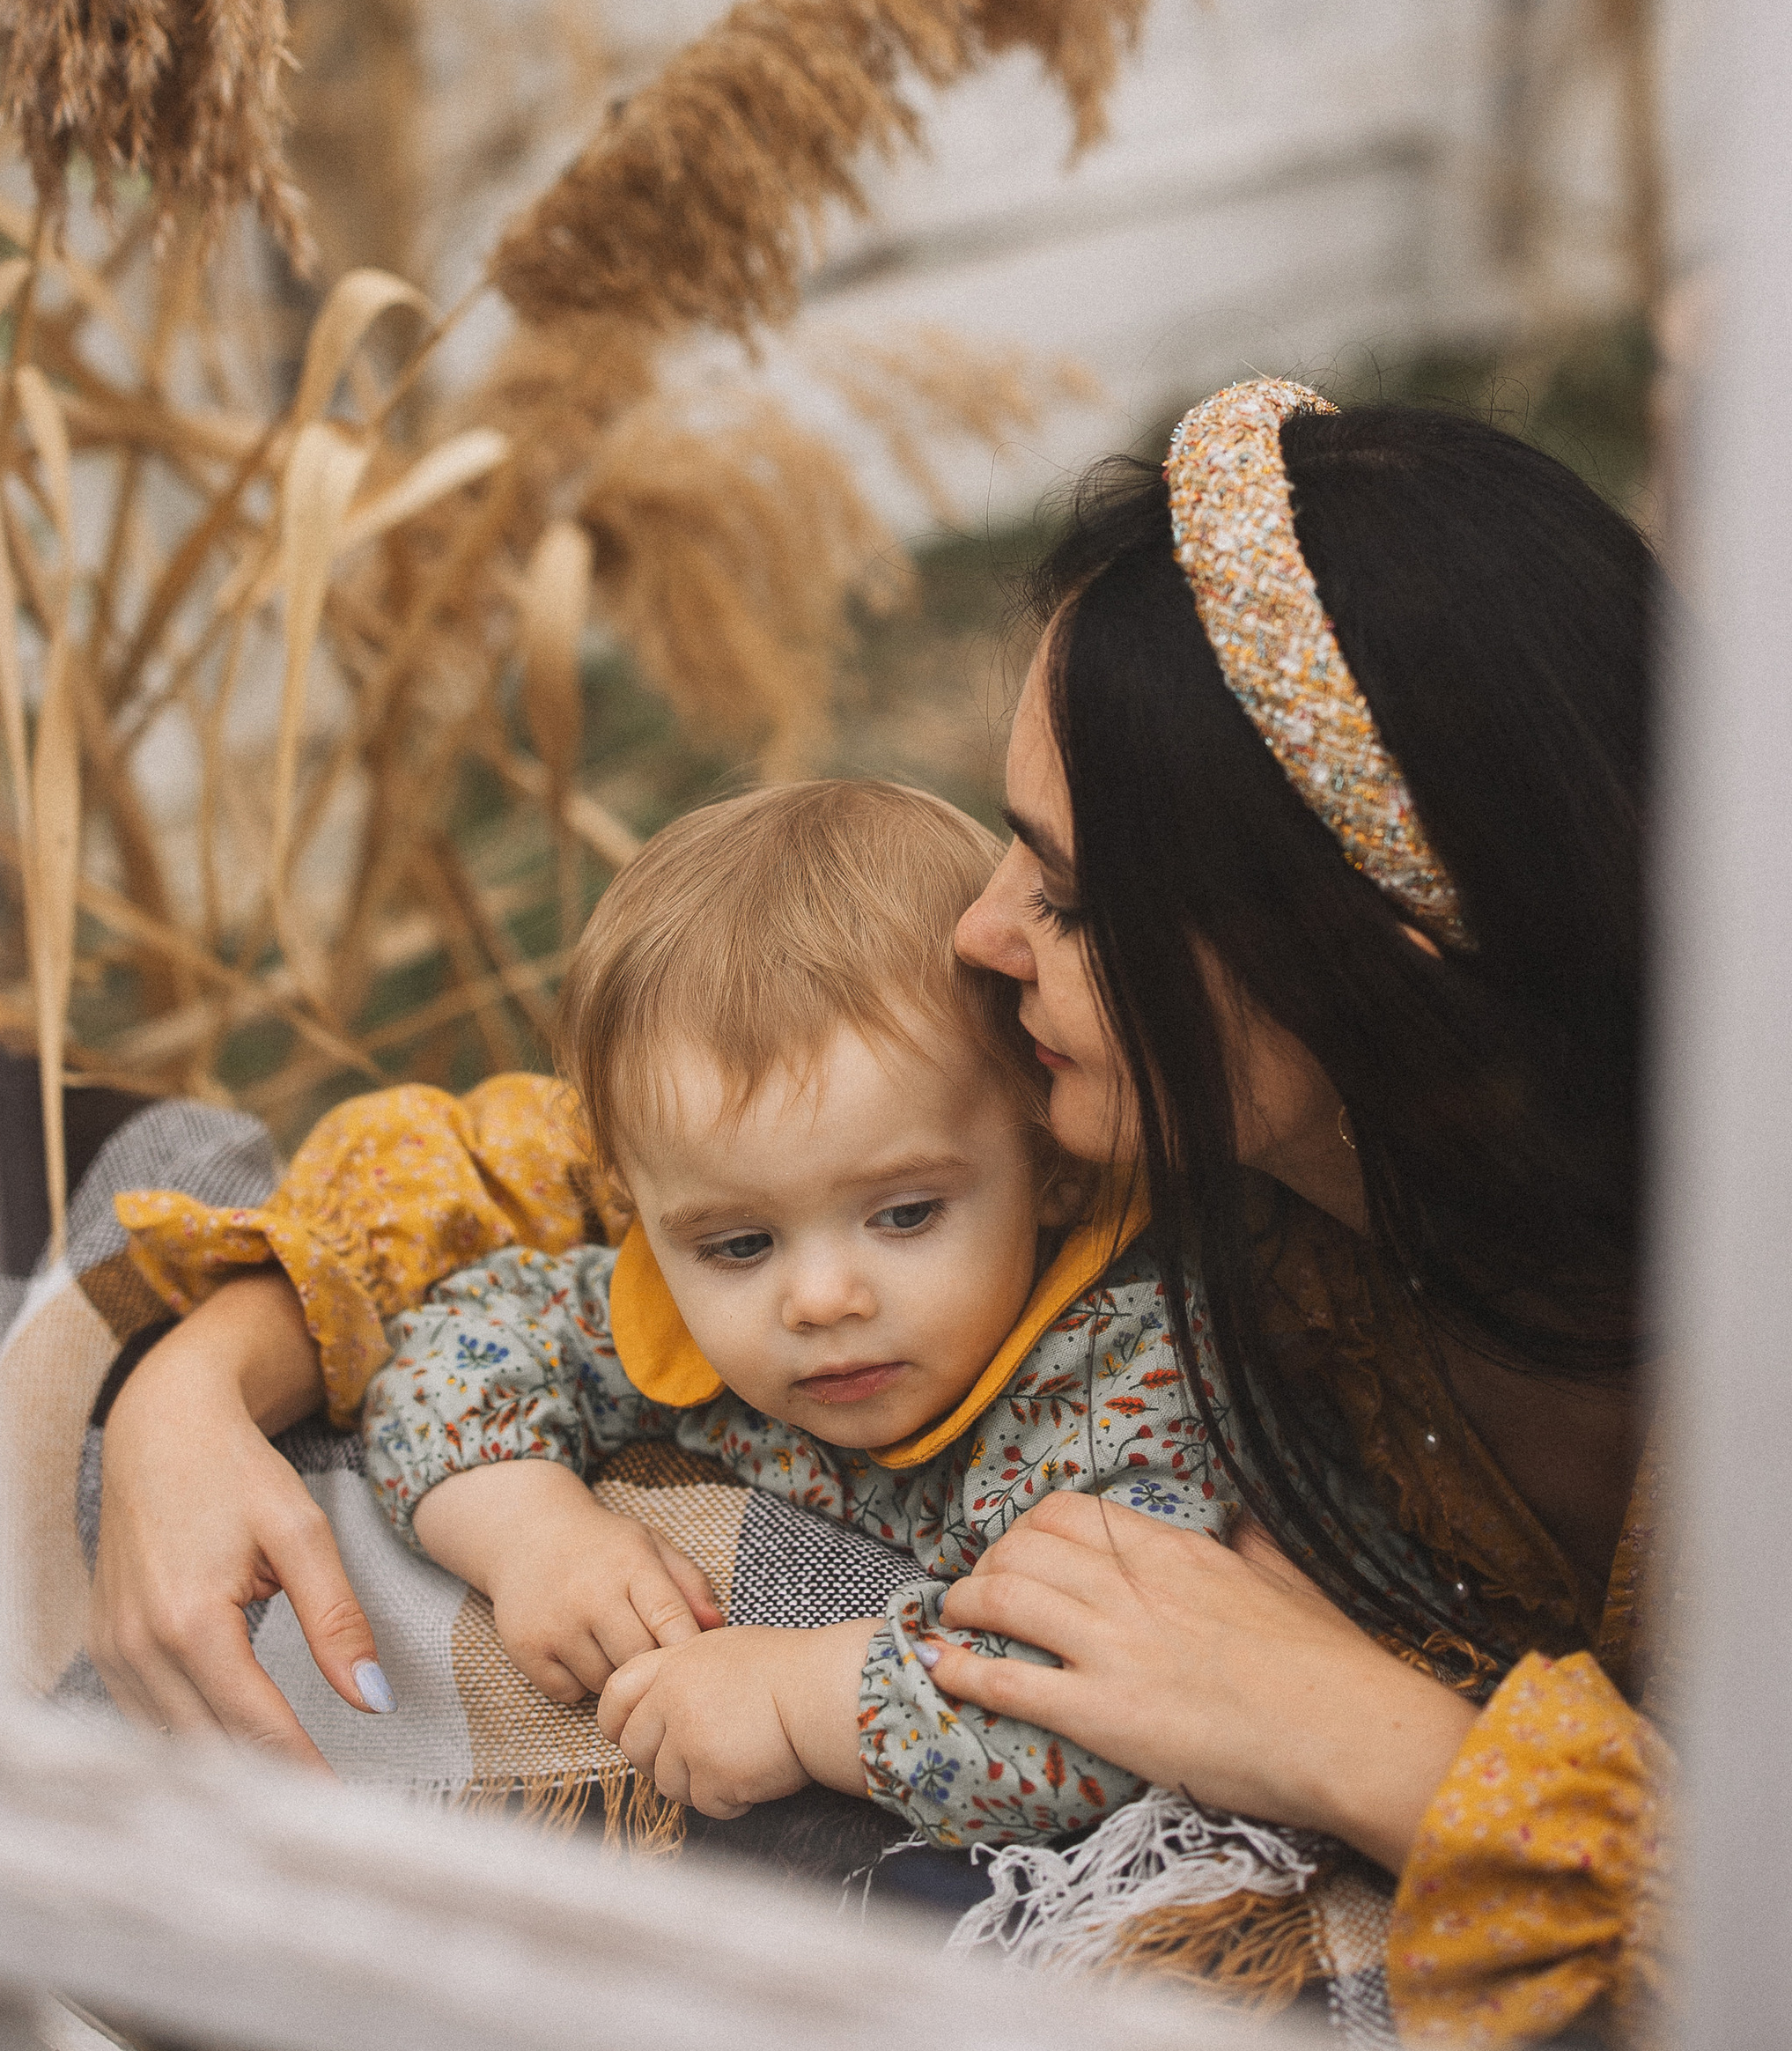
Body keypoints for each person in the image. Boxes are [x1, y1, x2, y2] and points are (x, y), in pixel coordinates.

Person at [92, 378, 1665, 2051]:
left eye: (1069, 895)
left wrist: (1364, 1738)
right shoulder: (1171, 1137)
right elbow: (595, 1167)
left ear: (1358, 970)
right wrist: (196, 1393)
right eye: (1008, 845)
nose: (985, 939)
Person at [362, 777, 1285, 1841]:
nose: (819, 1299)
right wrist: (529, 1533)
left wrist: (800, 1699)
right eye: (740, 1244)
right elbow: (454, 1354)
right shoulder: (679, 1322)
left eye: (901, 1215)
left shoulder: (1126, 1383)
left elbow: (1095, 1708)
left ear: (1053, 1168)